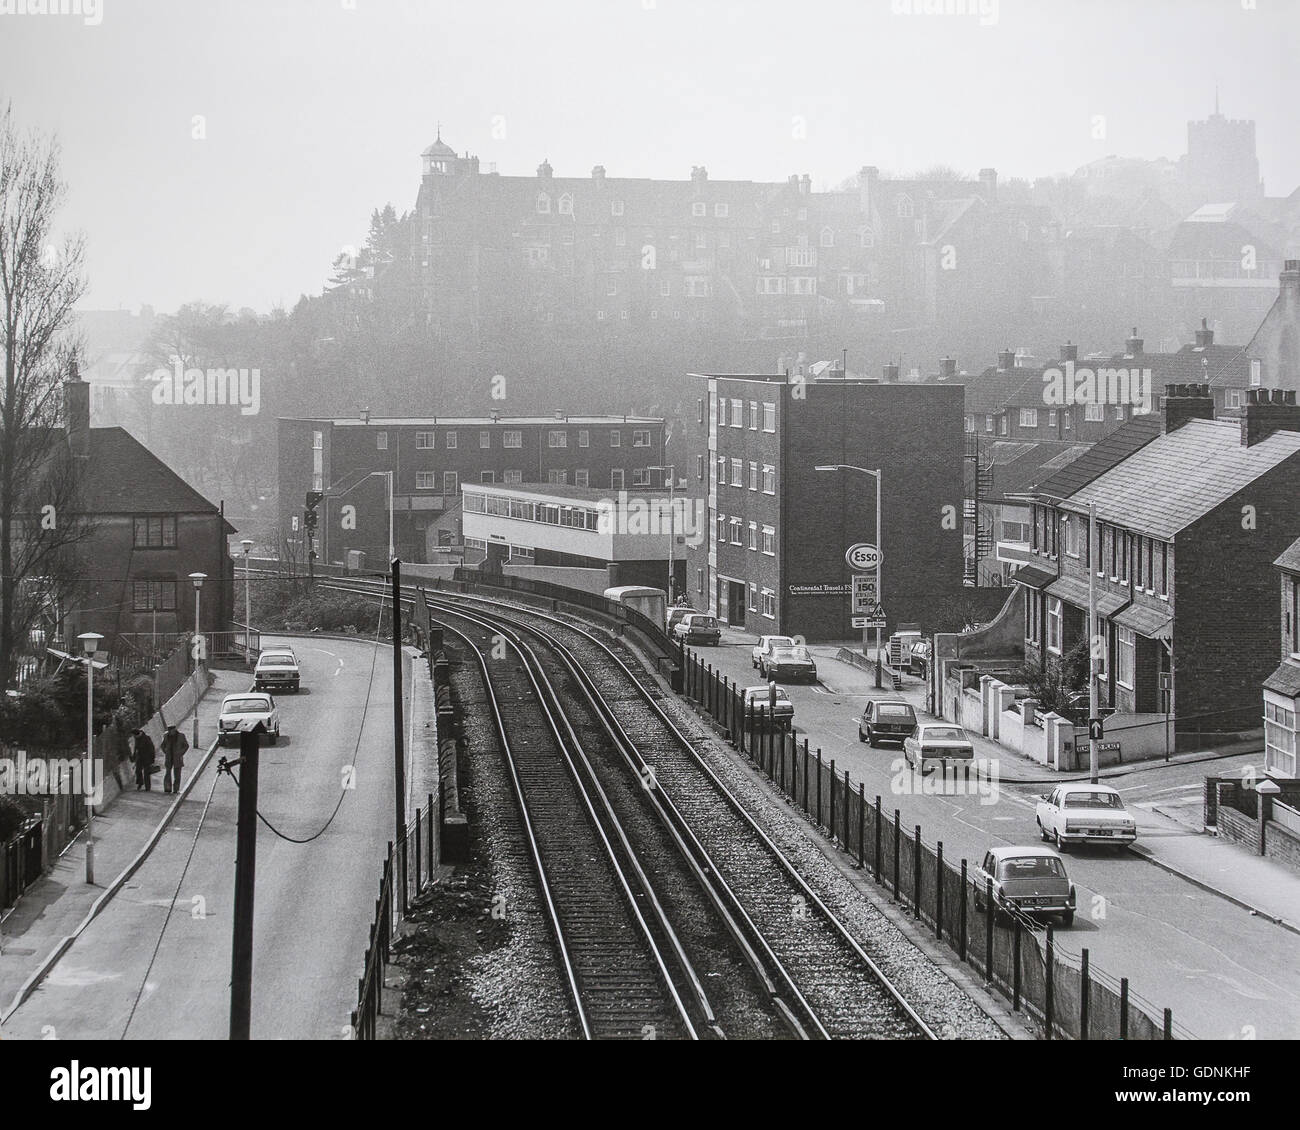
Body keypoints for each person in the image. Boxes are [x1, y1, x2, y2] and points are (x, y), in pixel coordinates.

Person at [160, 723, 189, 795]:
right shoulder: (166, 736)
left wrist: (181, 753)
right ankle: (167, 788)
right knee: (168, 774)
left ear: (175, 729)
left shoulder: (181, 736)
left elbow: (186, 746)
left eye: (171, 730)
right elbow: (162, 745)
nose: (170, 732)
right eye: (169, 730)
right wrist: (165, 752)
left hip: (177, 758)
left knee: (177, 775)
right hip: (169, 758)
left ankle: (176, 789)